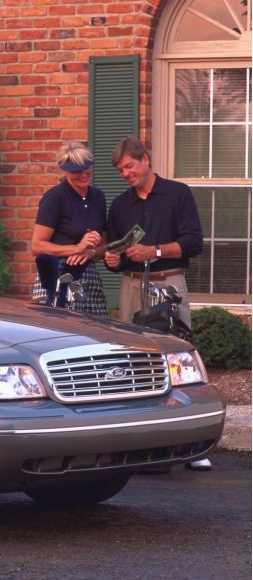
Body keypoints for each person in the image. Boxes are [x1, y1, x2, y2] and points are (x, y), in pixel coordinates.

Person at [104, 135, 210, 471]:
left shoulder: (178, 194)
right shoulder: (120, 206)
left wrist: (156, 251)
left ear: (145, 159)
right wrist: (113, 260)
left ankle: (193, 446)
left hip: (170, 283)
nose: (126, 174)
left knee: (177, 360)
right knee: (135, 363)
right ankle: (139, 445)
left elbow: (194, 242)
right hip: (132, 285)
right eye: (121, 170)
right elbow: (116, 252)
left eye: (129, 166)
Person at [30, 141, 108, 315]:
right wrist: (77, 248)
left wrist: (91, 252)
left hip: (88, 275)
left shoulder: (98, 197)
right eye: (75, 171)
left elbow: (103, 245)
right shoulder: (55, 197)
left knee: (96, 333)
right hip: (56, 276)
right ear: (63, 170)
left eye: (86, 168)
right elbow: (37, 246)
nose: (83, 174)